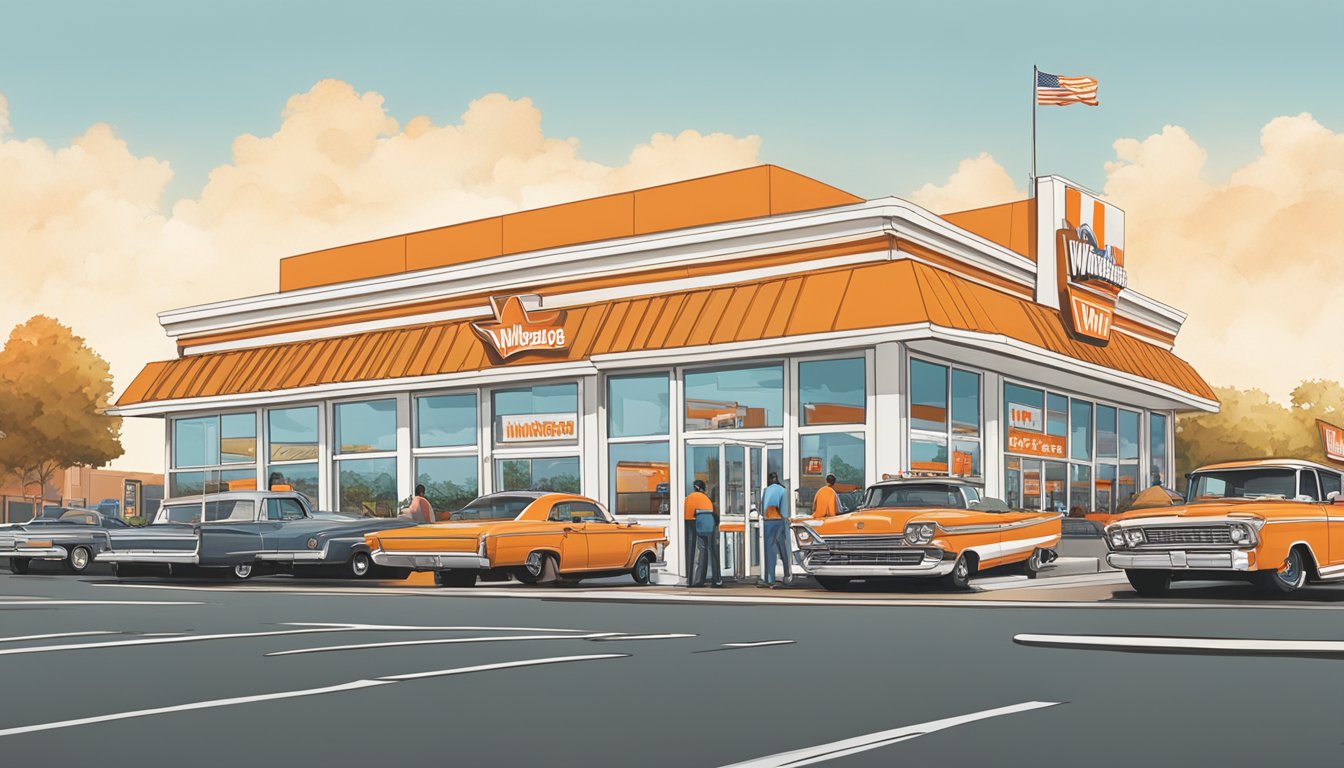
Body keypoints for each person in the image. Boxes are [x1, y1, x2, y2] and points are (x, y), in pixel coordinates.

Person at [684, 479, 722, 588]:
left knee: (696, 551)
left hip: (692, 523)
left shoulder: (689, 498)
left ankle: (695, 580)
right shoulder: (707, 499)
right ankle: (716, 580)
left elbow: (687, 515)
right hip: (708, 523)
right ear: (702, 489)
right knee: (711, 550)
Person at [760, 472, 791, 588]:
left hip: (768, 521)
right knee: (783, 549)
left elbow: (762, 509)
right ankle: (787, 575)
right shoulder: (783, 490)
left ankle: (770, 578)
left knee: (769, 551)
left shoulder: (766, 490)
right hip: (780, 521)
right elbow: (784, 511)